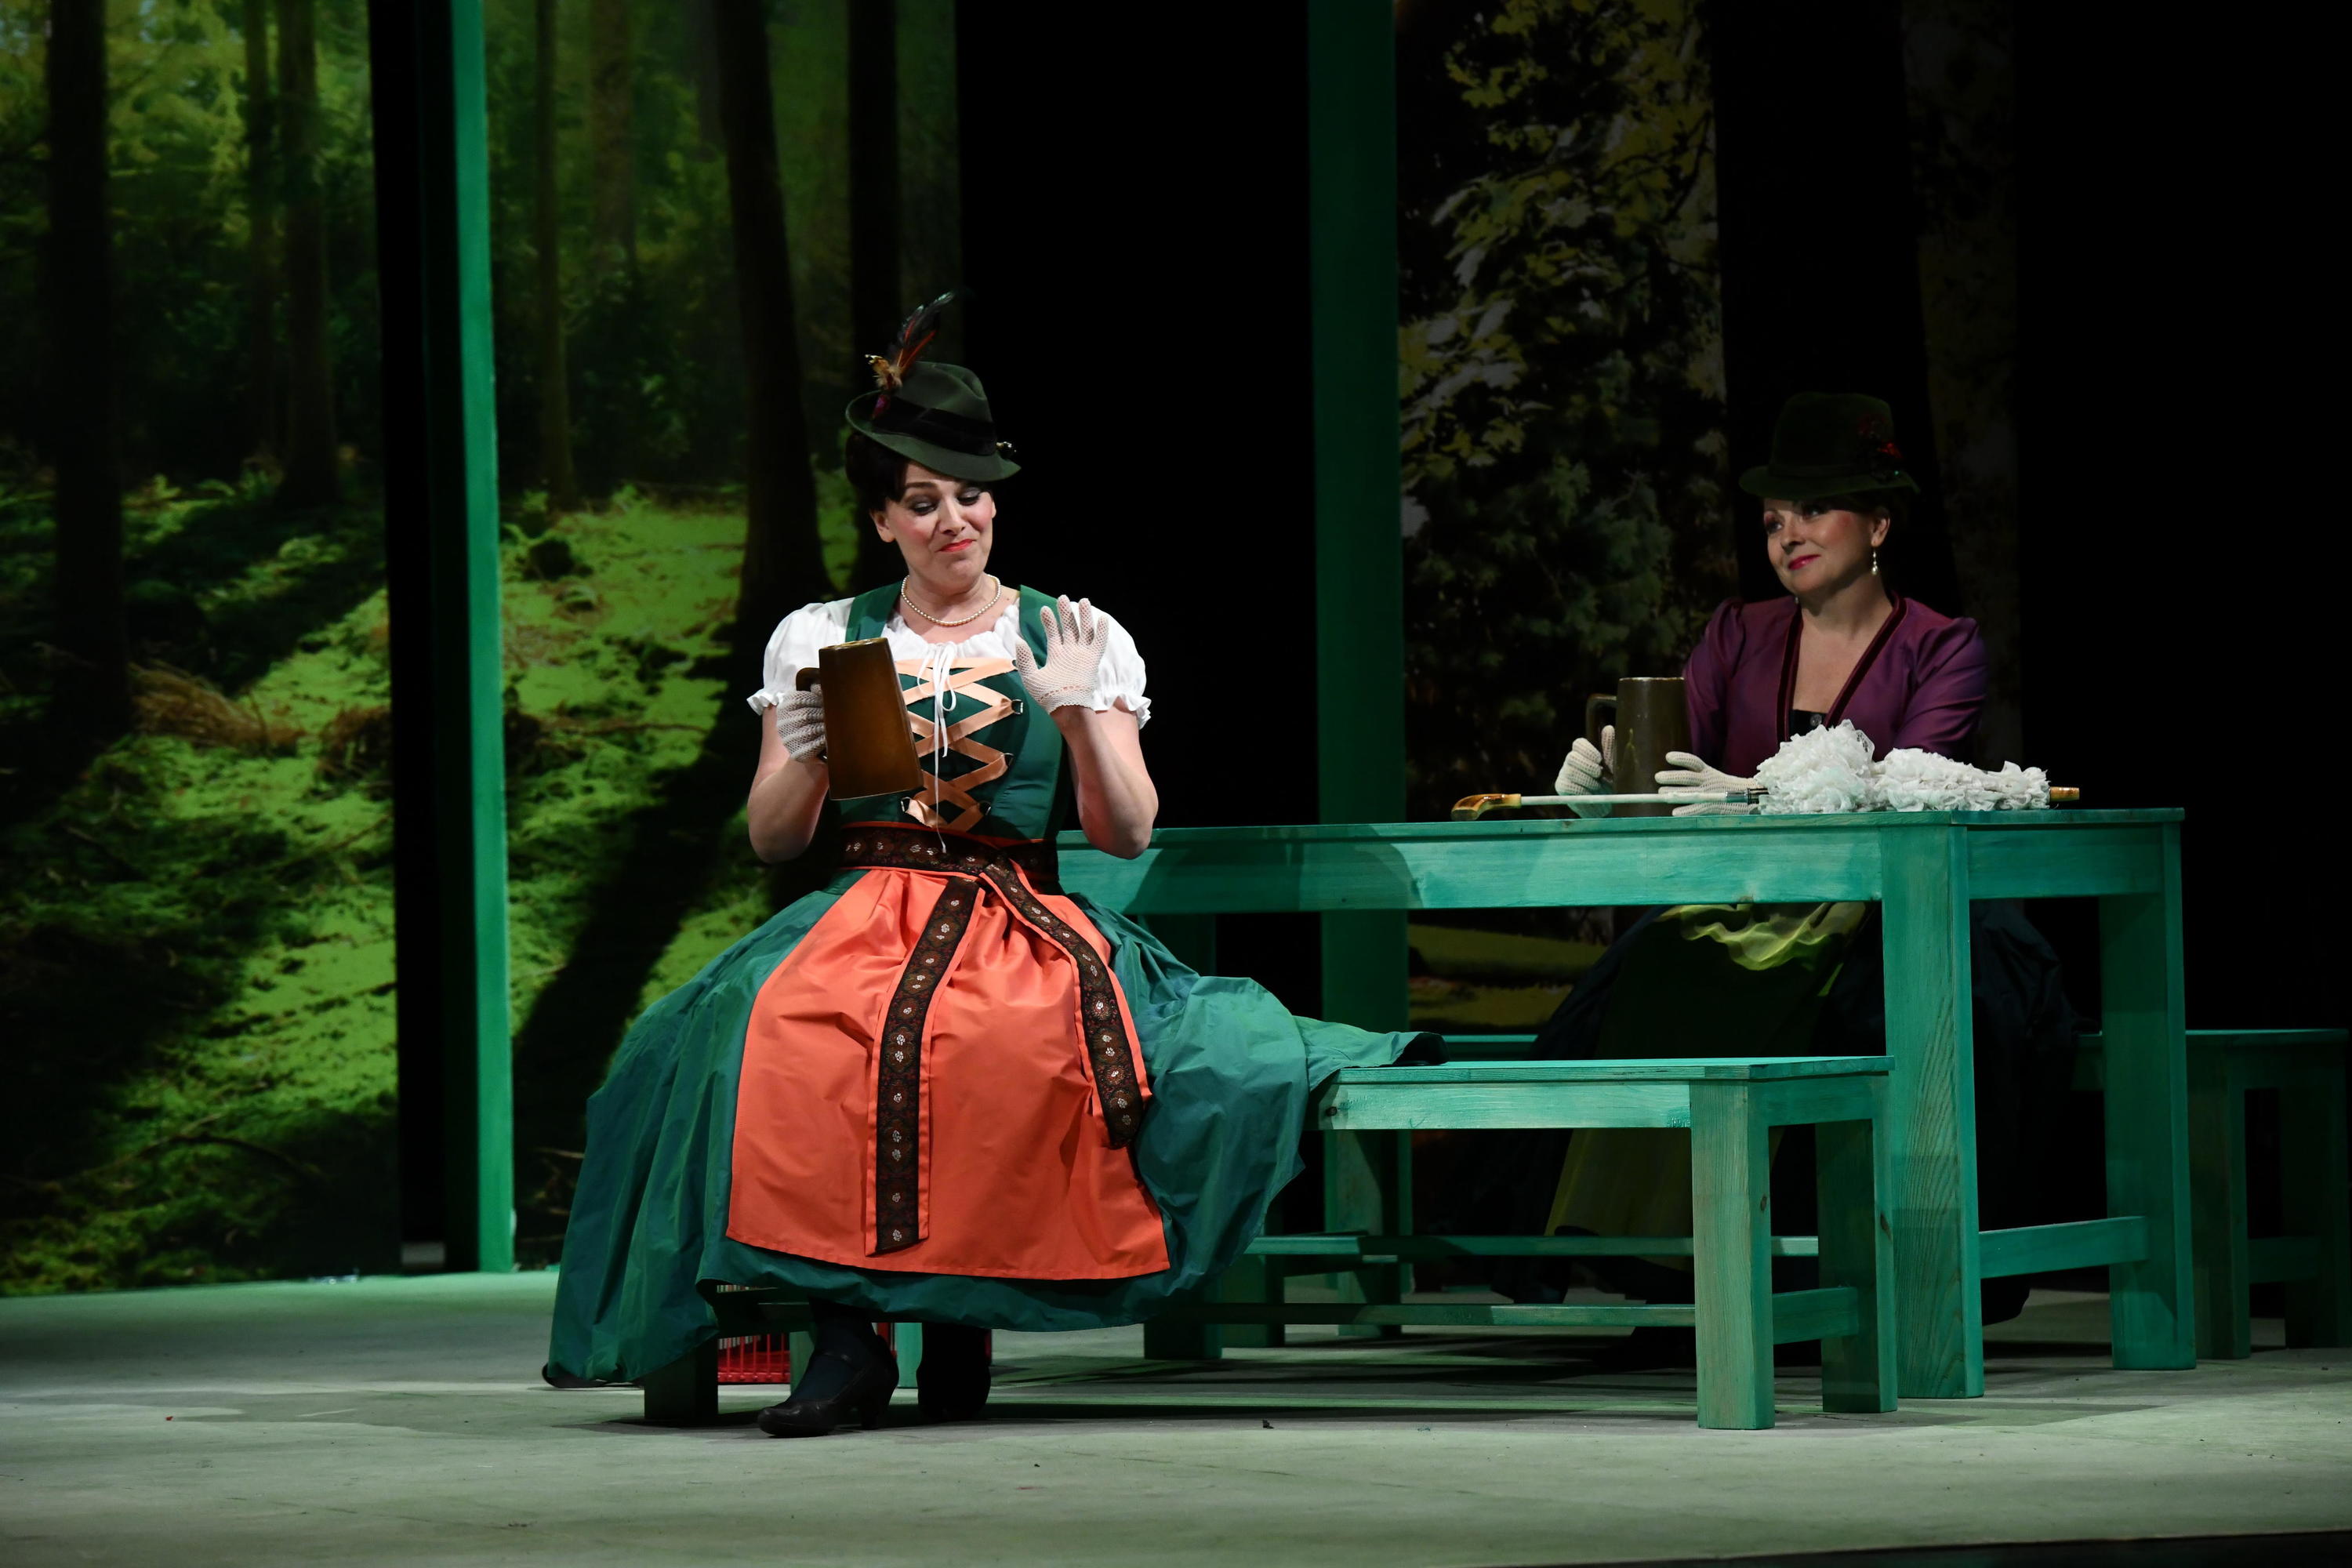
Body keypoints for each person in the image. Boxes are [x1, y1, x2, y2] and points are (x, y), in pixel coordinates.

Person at [545, 337, 1435, 1436]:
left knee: (995, 1037)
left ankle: (956, 1311)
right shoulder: (825, 634)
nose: (953, 521)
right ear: (884, 521)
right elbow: (775, 839)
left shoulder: (1071, 632)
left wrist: (1076, 709)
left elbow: (1126, 831)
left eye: (969, 497)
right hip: (867, 905)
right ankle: (849, 1337)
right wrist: (812, 748)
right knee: (766, 1026)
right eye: (922, 503)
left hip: (1017, 910)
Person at [1504, 393, 2075, 1329]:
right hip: (1747, 904)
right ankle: (1669, 1264)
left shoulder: (1942, 646)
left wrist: (1752, 791)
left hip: (1891, 911)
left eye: (1814, 509)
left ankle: (1873, 1276)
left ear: (1878, 524)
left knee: (1907, 1005)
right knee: (1646, 976)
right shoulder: (1740, 632)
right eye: (1775, 519)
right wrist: (1608, 778)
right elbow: (1673, 769)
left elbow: (1908, 783)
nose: (1789, 534)